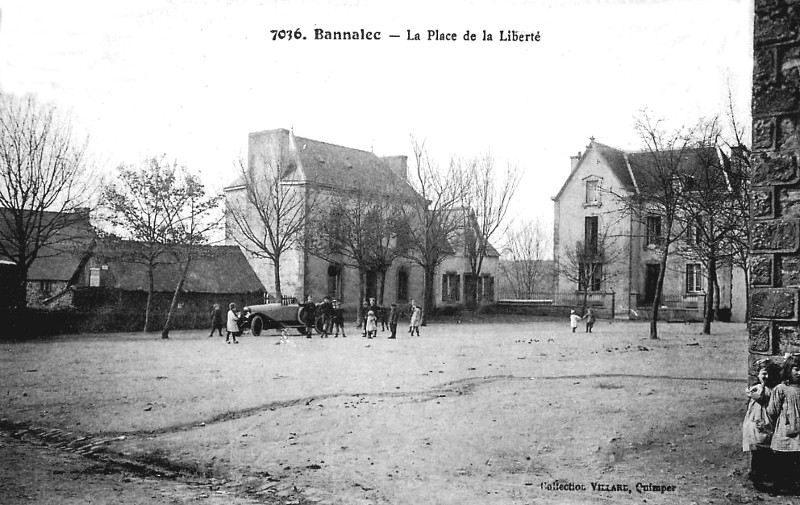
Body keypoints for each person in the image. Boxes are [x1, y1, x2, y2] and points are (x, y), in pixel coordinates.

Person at [767, 353, 800, 493]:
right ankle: (780, 485)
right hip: (785, 428)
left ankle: (795, 485)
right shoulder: (781, 389)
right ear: (788, 370)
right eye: (796, 369)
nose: (799, 373)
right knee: (782, 458)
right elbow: (772, 410)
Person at [744, 358, 778, 490]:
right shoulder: (756, 388)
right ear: (758, 374)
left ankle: (766, 476)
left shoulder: (773, 389)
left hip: (767, 422)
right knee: (756, 450)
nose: (766, 377)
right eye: (764, 373)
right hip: (755, 422)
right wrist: (761, 387)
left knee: (766, 450)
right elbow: (758, 397)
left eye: (769, 374)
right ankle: (756, 477)